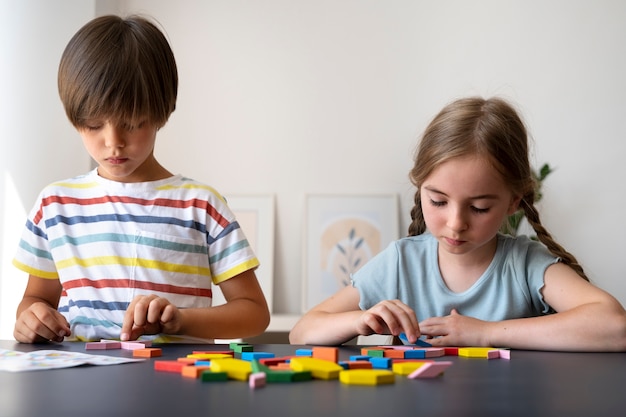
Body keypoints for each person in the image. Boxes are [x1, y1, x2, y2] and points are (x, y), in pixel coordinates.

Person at [290, 96, 626, 352]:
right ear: (420, 188)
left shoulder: (524, 264)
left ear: (514, 200)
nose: (455, 223)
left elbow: (614, 325)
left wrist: (484, 333)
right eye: (437, 201)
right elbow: (303, 331)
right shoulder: (400, 262)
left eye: (479, 207)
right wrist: (360, 320)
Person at [12, 15, 270, 344]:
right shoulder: (56, 205)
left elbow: (253, 313)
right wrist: (29, 320)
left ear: (162, 110)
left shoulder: (201, 206)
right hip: (80, 384)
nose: (113, 142)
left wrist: (180, 320)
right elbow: (35, 301)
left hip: (174, 385)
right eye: (93, 125)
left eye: (132, 123)